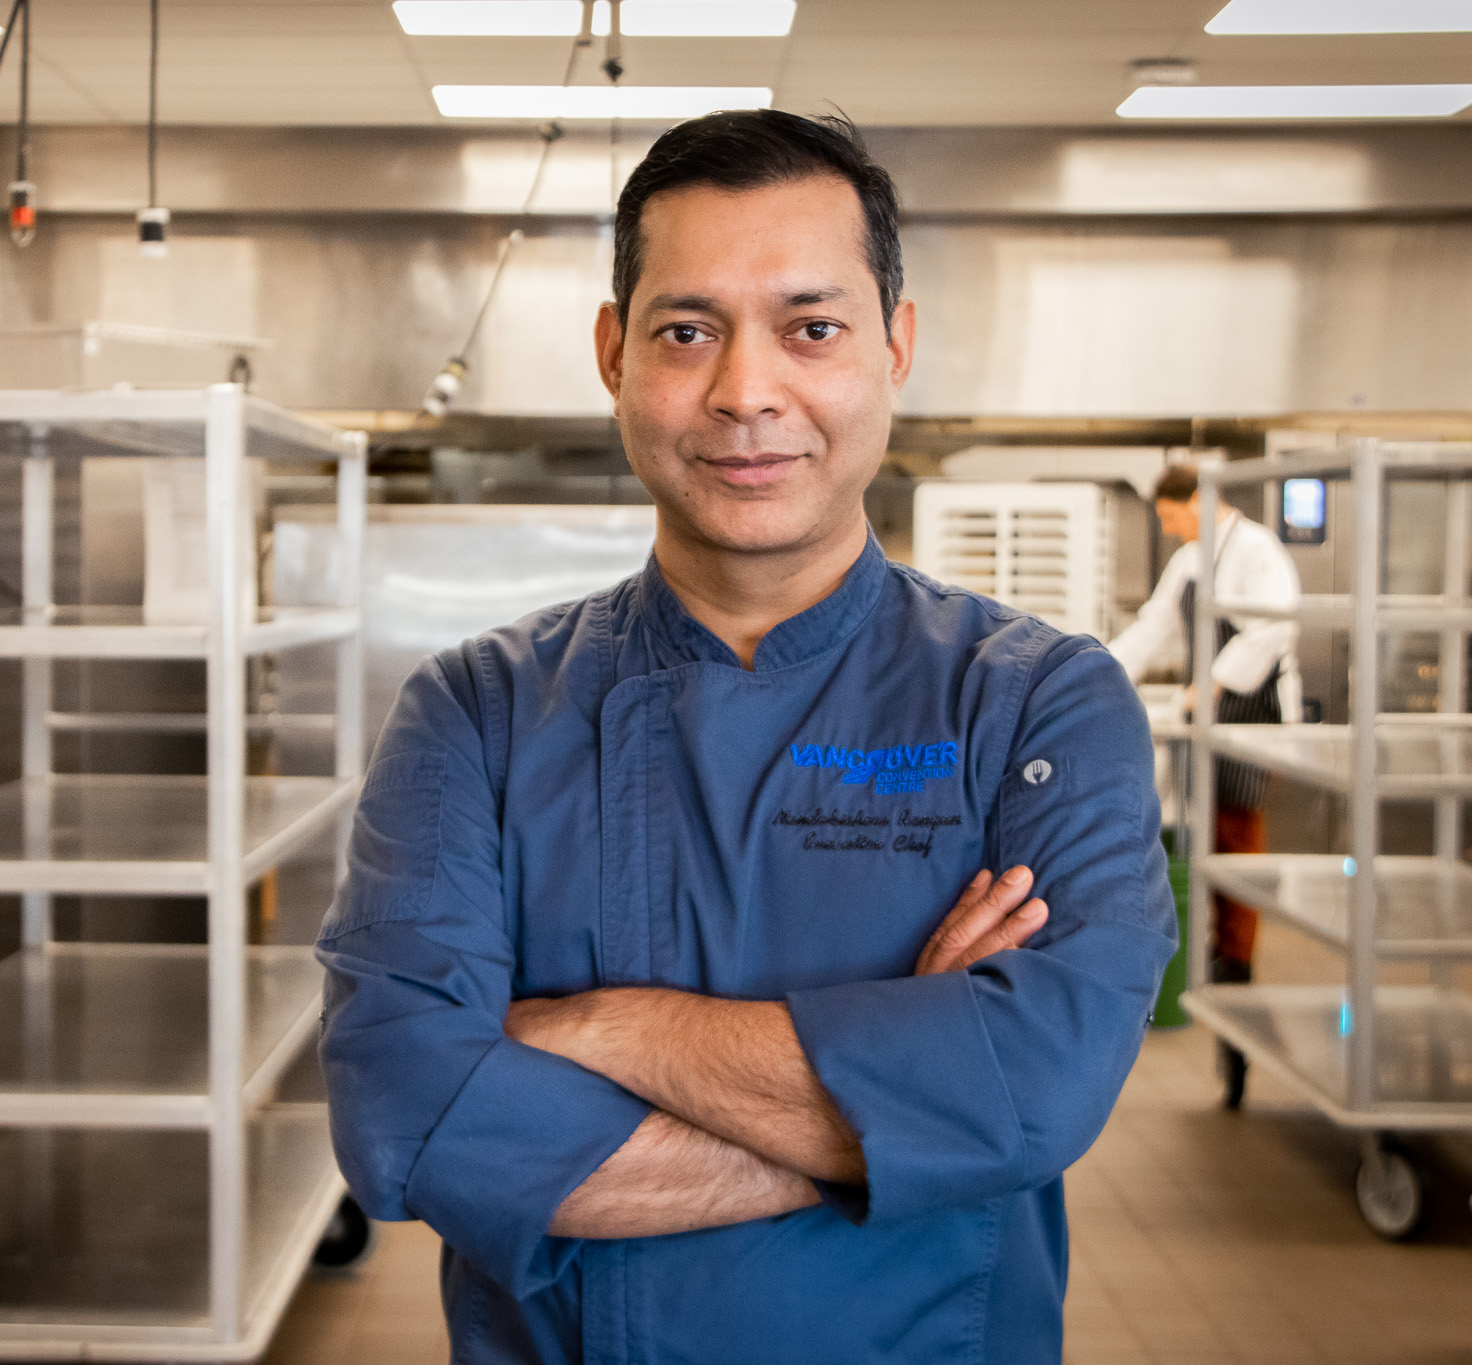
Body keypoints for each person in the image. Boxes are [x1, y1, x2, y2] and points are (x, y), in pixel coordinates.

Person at [317, 110, 1175, 1364]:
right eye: (685, 331)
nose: (744, 392)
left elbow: (1037, 1084)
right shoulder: (476, 714)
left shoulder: (1036, 702)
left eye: (809, 327)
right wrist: (906, 1105)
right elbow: (410, 1115)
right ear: (613, 354)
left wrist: (607, 1029)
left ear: (895, 345)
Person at [1108, 463, 1300, 985]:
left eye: (1171, 516)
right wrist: (1101, 672)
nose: (1168, 528)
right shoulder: (1191, 558)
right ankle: (1214, 946)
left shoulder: (1258, 550)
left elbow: (1275, 625)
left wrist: (1212, 681)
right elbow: (1155, 623)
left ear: (1197, 501)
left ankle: (1237, 957)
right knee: (1207, 831)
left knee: (1237, 831)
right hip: (1209, 711)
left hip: (1251, 708)